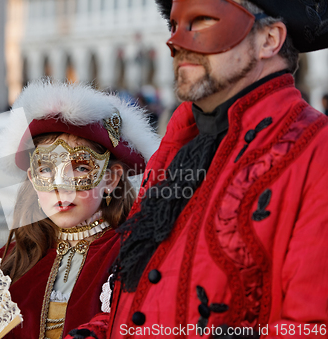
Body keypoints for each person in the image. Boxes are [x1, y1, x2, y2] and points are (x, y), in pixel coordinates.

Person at [66, 0, 328, 338]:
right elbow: (141, 305)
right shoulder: (177, 149)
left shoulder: (315, 153)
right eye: (173, 25)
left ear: (269, 40)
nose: (175, 42)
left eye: (202, 20)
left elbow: (311, 327)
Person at [0, 80, 160, 339]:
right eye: (46, 169)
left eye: (82, 168)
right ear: (32, 177)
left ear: (111, 178)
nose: (62, 187)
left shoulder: (135, 255)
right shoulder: (6, 263)